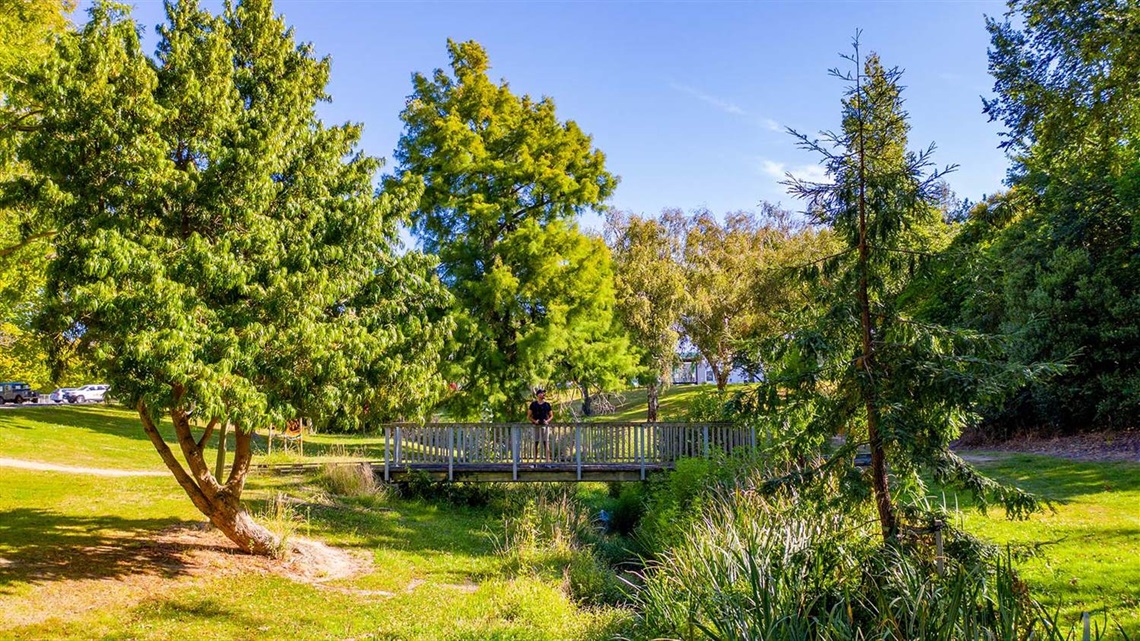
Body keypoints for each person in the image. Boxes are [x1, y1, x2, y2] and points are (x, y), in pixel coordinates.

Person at [527, 388, 553, 461]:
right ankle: (534, 462)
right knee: (535, 443)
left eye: (543, 393)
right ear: (538, 395)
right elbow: (528, 416)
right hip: (536, 426)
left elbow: (551, 415)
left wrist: (547, 421)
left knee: (546, 443)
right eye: (542, 393)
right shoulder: (533, 404)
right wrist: (535, 421)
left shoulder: (547, 404)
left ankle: (548, 462)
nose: (543, 394)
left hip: (545, 426)